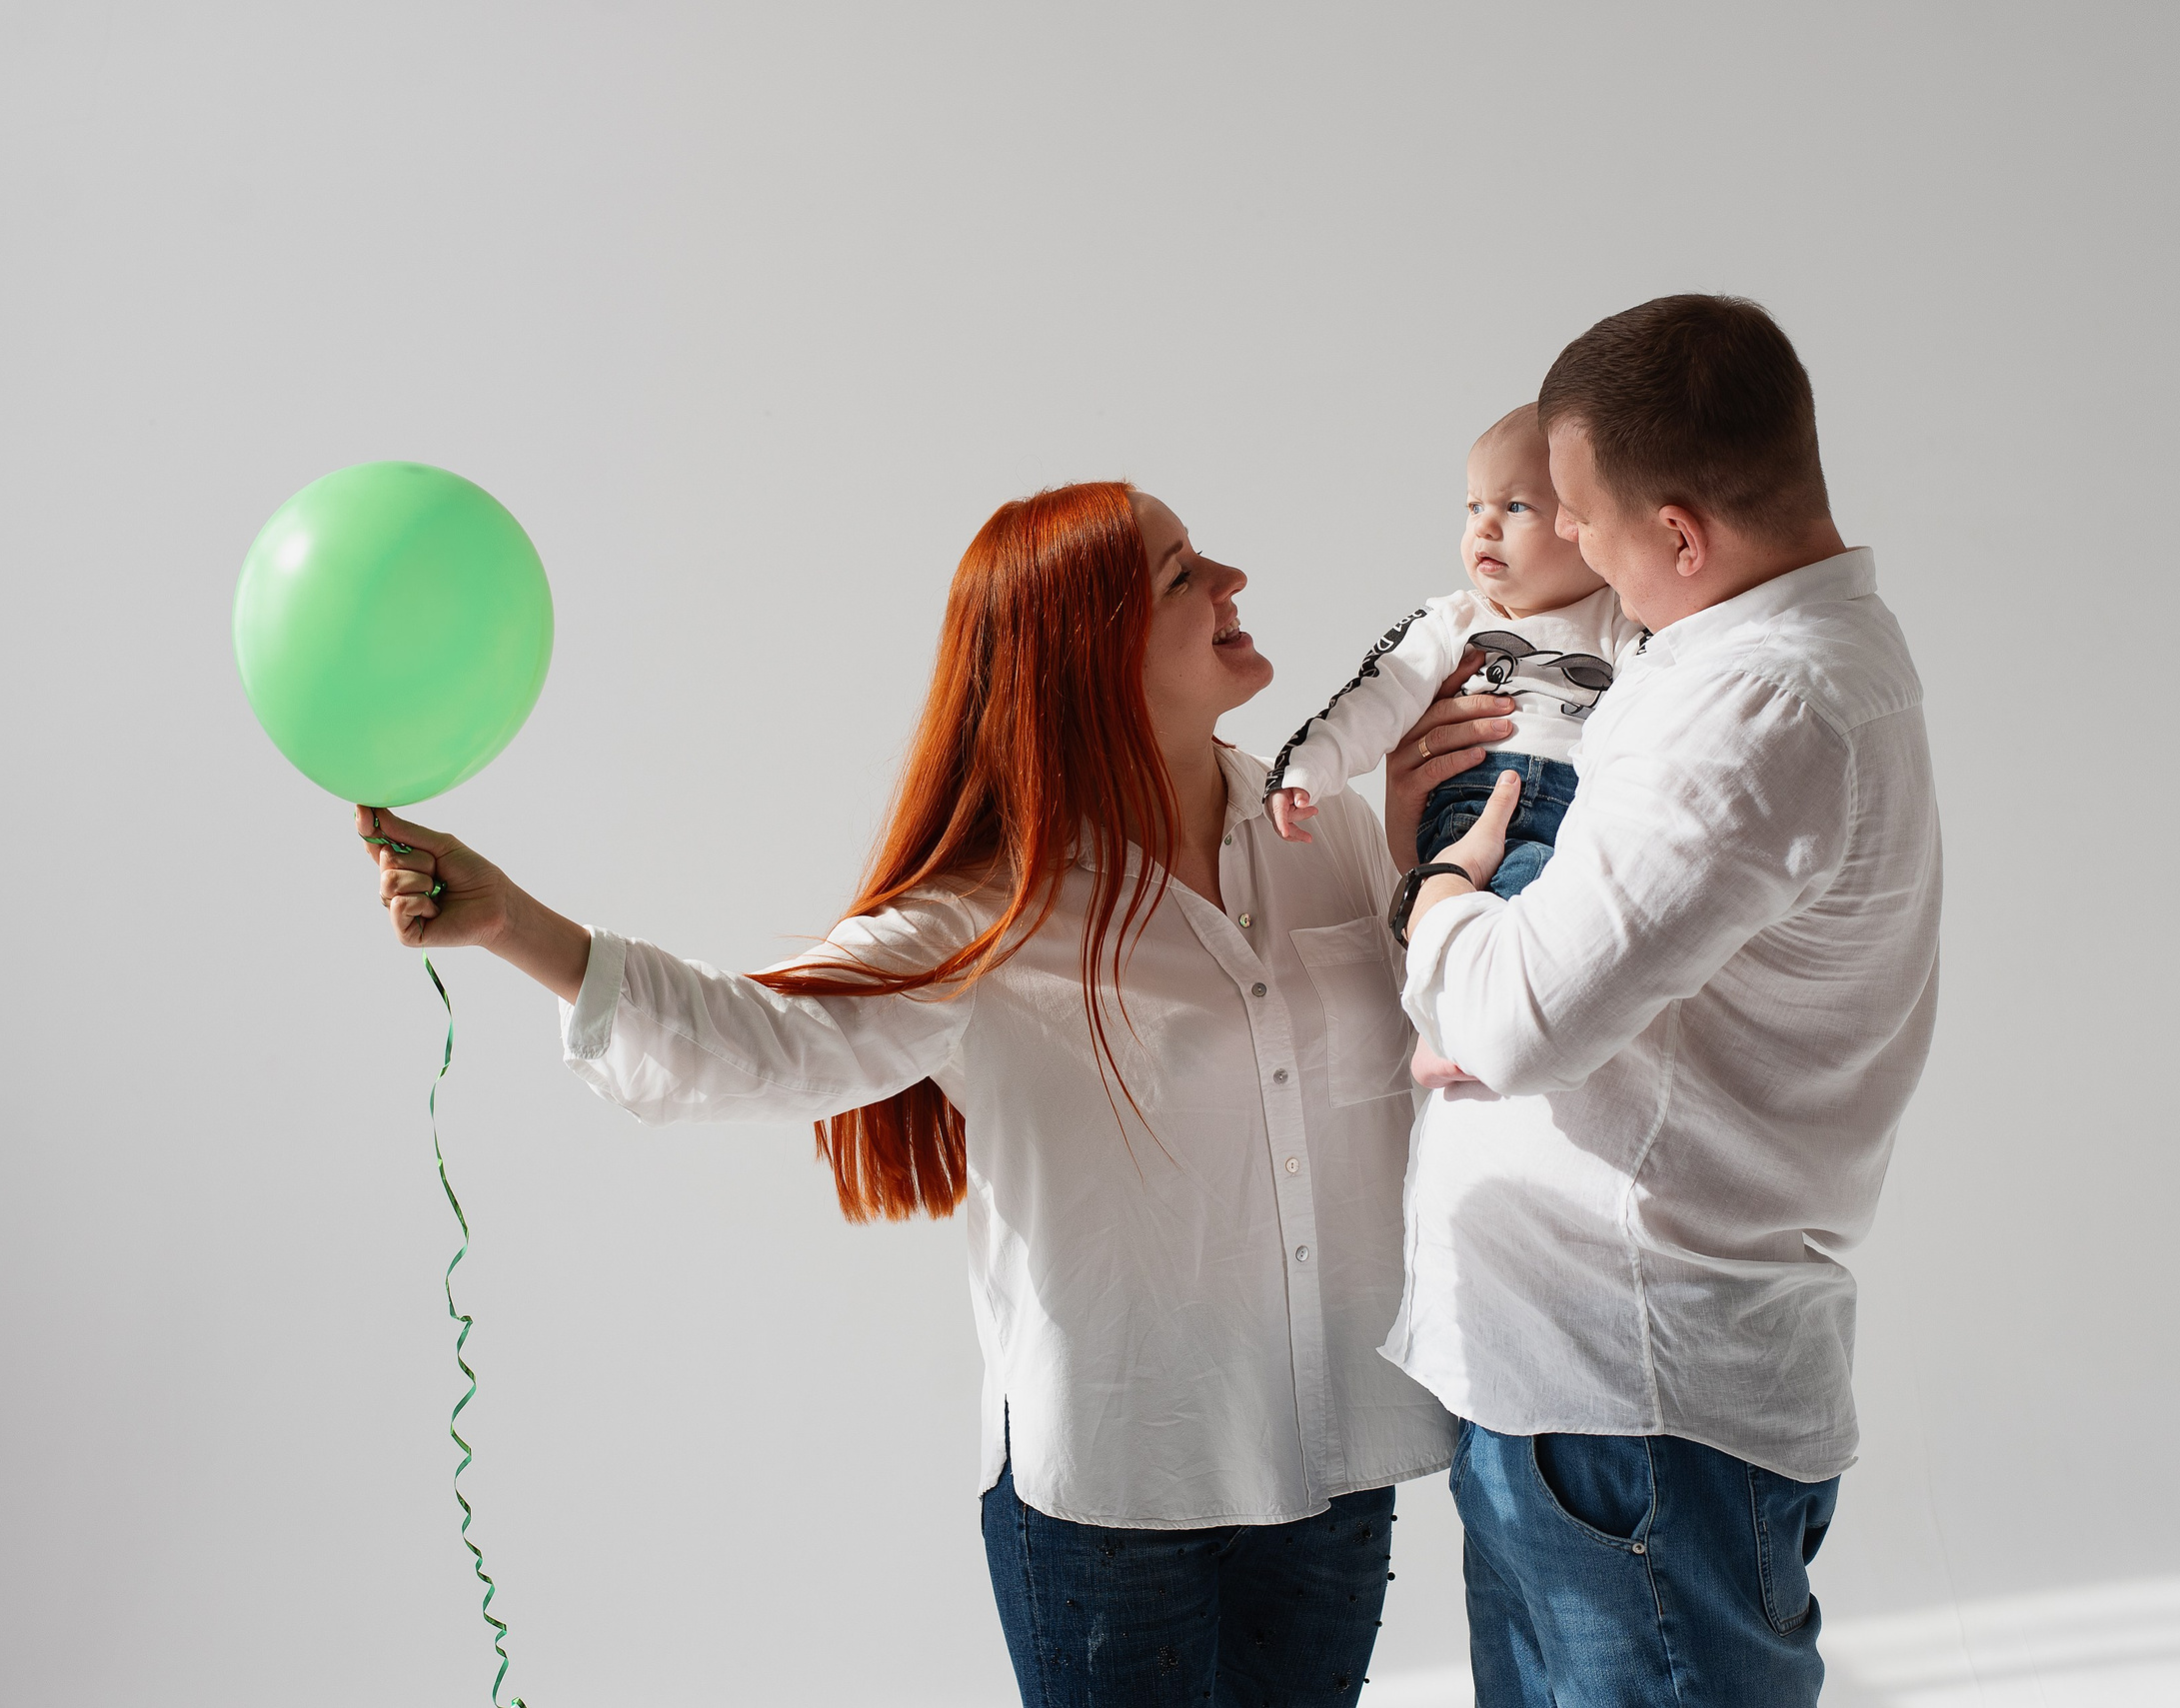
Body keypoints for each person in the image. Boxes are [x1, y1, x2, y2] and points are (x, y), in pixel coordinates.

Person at [352, 482, 1508, 1708]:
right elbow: (763, 1039)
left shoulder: (1323, 829)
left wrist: (1419, 848)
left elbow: (1464, 1031)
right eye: (1180, 573)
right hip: (1117, 1500)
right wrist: (514, 924)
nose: (1231, 575)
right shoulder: (992, 909)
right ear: (1088, 655)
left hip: (1335, 1467)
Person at [1387, 297, 1943, 1708]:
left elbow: (1514, 1022)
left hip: (1634, 1412)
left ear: (1682, 535)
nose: (1568, 549)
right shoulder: (1733, 657)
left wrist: (1436, 895)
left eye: (1585, 518)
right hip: (1578, 1391)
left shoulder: (1760, 707)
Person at [1260, 402, 1648, 1088]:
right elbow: (1375, 697)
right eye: (1473, 505)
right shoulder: (1453, 621)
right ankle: (1444, 1031)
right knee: (1483, 899)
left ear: (1586, 522)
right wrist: (1306, 769)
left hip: (1573, 815)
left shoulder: (1622, 618)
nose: (1484, 527)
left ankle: (1479, 1023)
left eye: (1517, 506)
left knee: (1553, 913)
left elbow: (1659, 704)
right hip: (1469, 799)